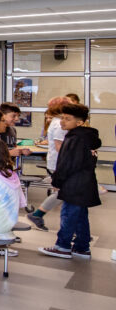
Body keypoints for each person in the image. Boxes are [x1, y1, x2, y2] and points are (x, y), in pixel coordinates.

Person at [38, 102, 101, 259]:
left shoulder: (74, 139)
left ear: (79, 123)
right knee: (80, 216)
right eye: (62, 118)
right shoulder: (87, 138)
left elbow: (67, 164)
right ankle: (82, 247)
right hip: (84, 183)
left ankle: (63, 246)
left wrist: (57, 182)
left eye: (67, 119)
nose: (62, 122)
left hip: (74, 184)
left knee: (68, 215)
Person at [27, 97, 70, 230]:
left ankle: (38, 214)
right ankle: (38, 215)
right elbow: (60, 147)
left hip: (58, 162)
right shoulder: (59, 124)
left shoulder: (57, 122)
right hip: (59, 163)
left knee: (64, 194)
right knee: (66, 194)